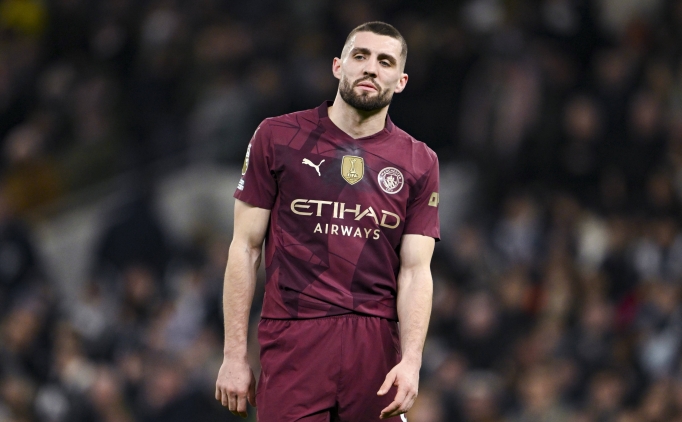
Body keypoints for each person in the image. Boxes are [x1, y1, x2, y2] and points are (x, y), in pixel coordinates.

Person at [215, 21, 440, 421]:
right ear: (338, 66)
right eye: (361, 56)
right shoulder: (277, 137)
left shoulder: (419, 161)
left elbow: (416, 271)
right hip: (293, 336)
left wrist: (412, 361)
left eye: (385, 61)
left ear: (401, 81)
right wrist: (234, 355)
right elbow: (245, 248)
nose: (371, 68)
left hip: (374, 344)